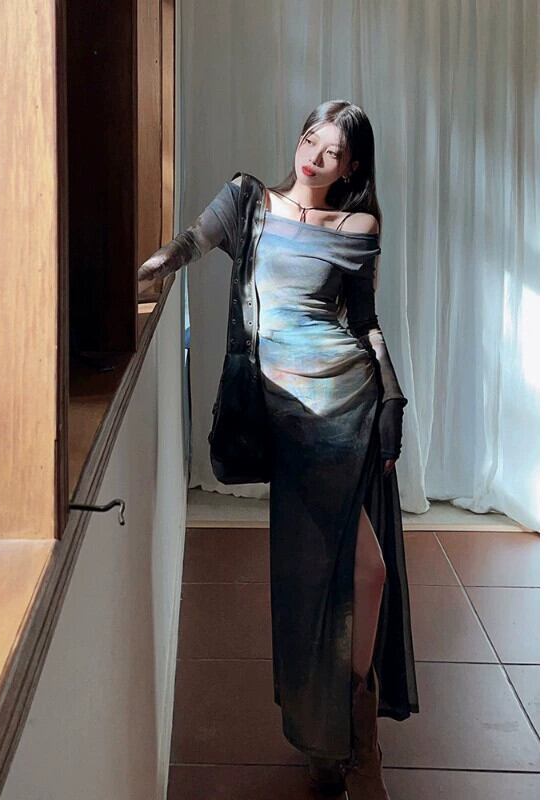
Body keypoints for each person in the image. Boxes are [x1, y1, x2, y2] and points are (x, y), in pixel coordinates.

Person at [139, 99, 418, 799]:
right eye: (309, 140)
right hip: (289, 418)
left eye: (332, 151)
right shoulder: (248, 201)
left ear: (352, 166)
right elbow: (189, 244)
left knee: (368, 575)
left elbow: (366, 322)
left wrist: (391, 399)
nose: (314, 158)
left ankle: (359, 742)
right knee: (308, 582)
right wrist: (148, 269)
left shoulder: (359, 227)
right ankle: (328, 741)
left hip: (350, 404)